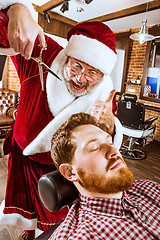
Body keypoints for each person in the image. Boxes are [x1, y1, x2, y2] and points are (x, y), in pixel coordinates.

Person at [0, 1, 123, 239]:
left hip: (59, 167)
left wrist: (108, 121)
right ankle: (27, 232)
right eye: (77, 65)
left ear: (102, 74)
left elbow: (108, 134)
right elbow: (6, 29)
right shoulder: (45, 52)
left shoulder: (104, 93)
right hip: (23, 155)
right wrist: (18, 9)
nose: (80, 77)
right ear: (69, 57)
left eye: (92, 72)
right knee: (26, 206)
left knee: (54, 216)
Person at [49, 112, 160, 240]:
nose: (114, 151)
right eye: (95, 147)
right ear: (70, 172)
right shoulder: (79, 236)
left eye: (110, 142)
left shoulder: (151, 188)